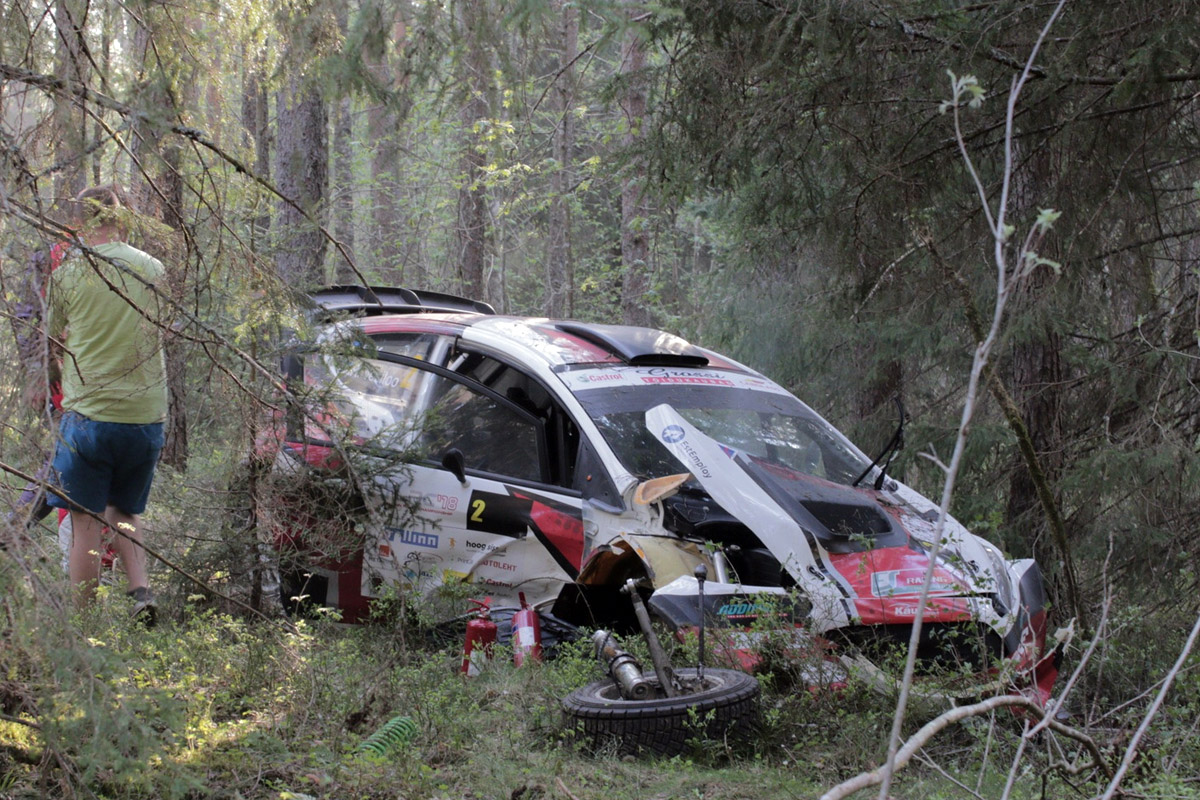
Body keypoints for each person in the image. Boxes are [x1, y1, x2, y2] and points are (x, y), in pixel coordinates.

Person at [45, 184, 168, 622]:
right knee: (126, 511)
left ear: (81, 221)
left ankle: (85, 627)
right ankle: (141, 592)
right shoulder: (153, 268)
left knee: (85, 523)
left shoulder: (69, 274)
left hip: (89, 418)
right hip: (145, 416)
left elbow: (51, 340)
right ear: (124, 219)